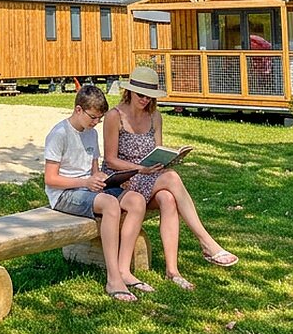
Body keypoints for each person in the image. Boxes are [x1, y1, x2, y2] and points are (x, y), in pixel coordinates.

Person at [102, 65, 238, 290]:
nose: (145, 100)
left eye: (149, 96)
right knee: (172, 179)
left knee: (168, 198)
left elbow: (158, 151)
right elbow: (110, 160)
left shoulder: (155, 116)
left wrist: (168, 159)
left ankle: (172, 271)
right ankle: (206, 242)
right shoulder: (114, 117)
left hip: (149, 177)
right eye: (141, 95)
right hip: (124, 179)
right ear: (129, 92)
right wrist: (139, 168)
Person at [45, 84, 154, 303]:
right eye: (92, 117)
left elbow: (94, 170)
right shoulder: (59, 134)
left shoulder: (91, 134)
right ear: (78, 110)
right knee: (111, 205)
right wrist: (86, 181)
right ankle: (113, 279)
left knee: (135, 200)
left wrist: (106, 180)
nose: (95, 123)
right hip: (64, 194)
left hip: (89, 189)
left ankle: (124, 270)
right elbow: (50, 179)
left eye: (99, 119)